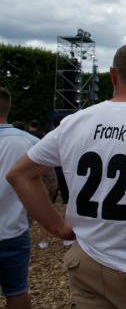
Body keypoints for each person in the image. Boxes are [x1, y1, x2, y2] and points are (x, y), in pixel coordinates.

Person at [7, 43, 126, 309]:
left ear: (113, 75)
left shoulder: (74, 122)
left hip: (86, 260)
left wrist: (58, 228)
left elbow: (19, 174)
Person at [0, 87, 39, 309]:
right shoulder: (28, 142)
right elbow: (48, 183)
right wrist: (35, 213)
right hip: (13, 230)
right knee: (17, 292)